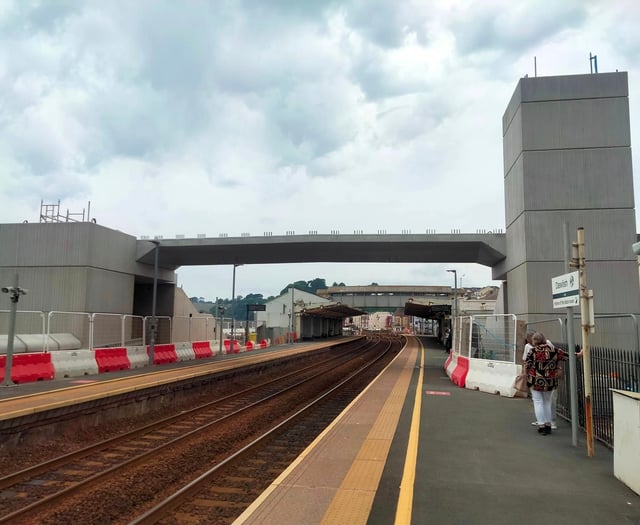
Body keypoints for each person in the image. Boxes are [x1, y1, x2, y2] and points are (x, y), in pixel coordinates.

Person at [525, 332, 565, 435]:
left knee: (538, 402)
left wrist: (527, 376)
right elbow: (564, 355)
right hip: (550, 381)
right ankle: (548, 425)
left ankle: (541, 425)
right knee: (547, 402)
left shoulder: (532, 351)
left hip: (536, 381)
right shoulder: (553, 350)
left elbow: (528, 365)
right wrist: (578, 354)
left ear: (534, 341)